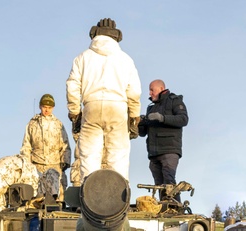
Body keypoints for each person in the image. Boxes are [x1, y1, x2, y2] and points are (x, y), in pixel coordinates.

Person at [66, 17, 141, 181]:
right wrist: (134, 117)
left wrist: (75, 113)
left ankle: (90, 200)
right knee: (118, 157)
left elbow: (72, 86)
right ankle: (118, 200)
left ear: (94, 34)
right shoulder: (126, 60)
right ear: (117, 36)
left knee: (89, 157)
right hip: (118, 108)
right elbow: (134, 91)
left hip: (91, 107)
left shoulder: (82, 57)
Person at [137, 79, 189, 188]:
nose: (150, 93)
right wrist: (141, 124)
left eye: (152, 90)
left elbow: (183, 119)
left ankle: (174, 205)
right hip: (154, 154)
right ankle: (163, 205)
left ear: (161, 88)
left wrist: (162, 118)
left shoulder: (174, 101)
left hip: (169, 150)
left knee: (169, 184)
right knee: (159, 186)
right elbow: (143, 133)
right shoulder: (150, 108)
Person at [20, 93, 72, 195]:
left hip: (55, 165)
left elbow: (65, 145)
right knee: (36, 196)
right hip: (37, 165)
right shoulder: (32, 124)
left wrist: (65, 162)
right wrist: (26, 164)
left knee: (57, 196)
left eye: (49, 107)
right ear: (40, 106)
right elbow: (26, 145)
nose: (47, 110)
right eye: (44, 107)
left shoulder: (58, 124)